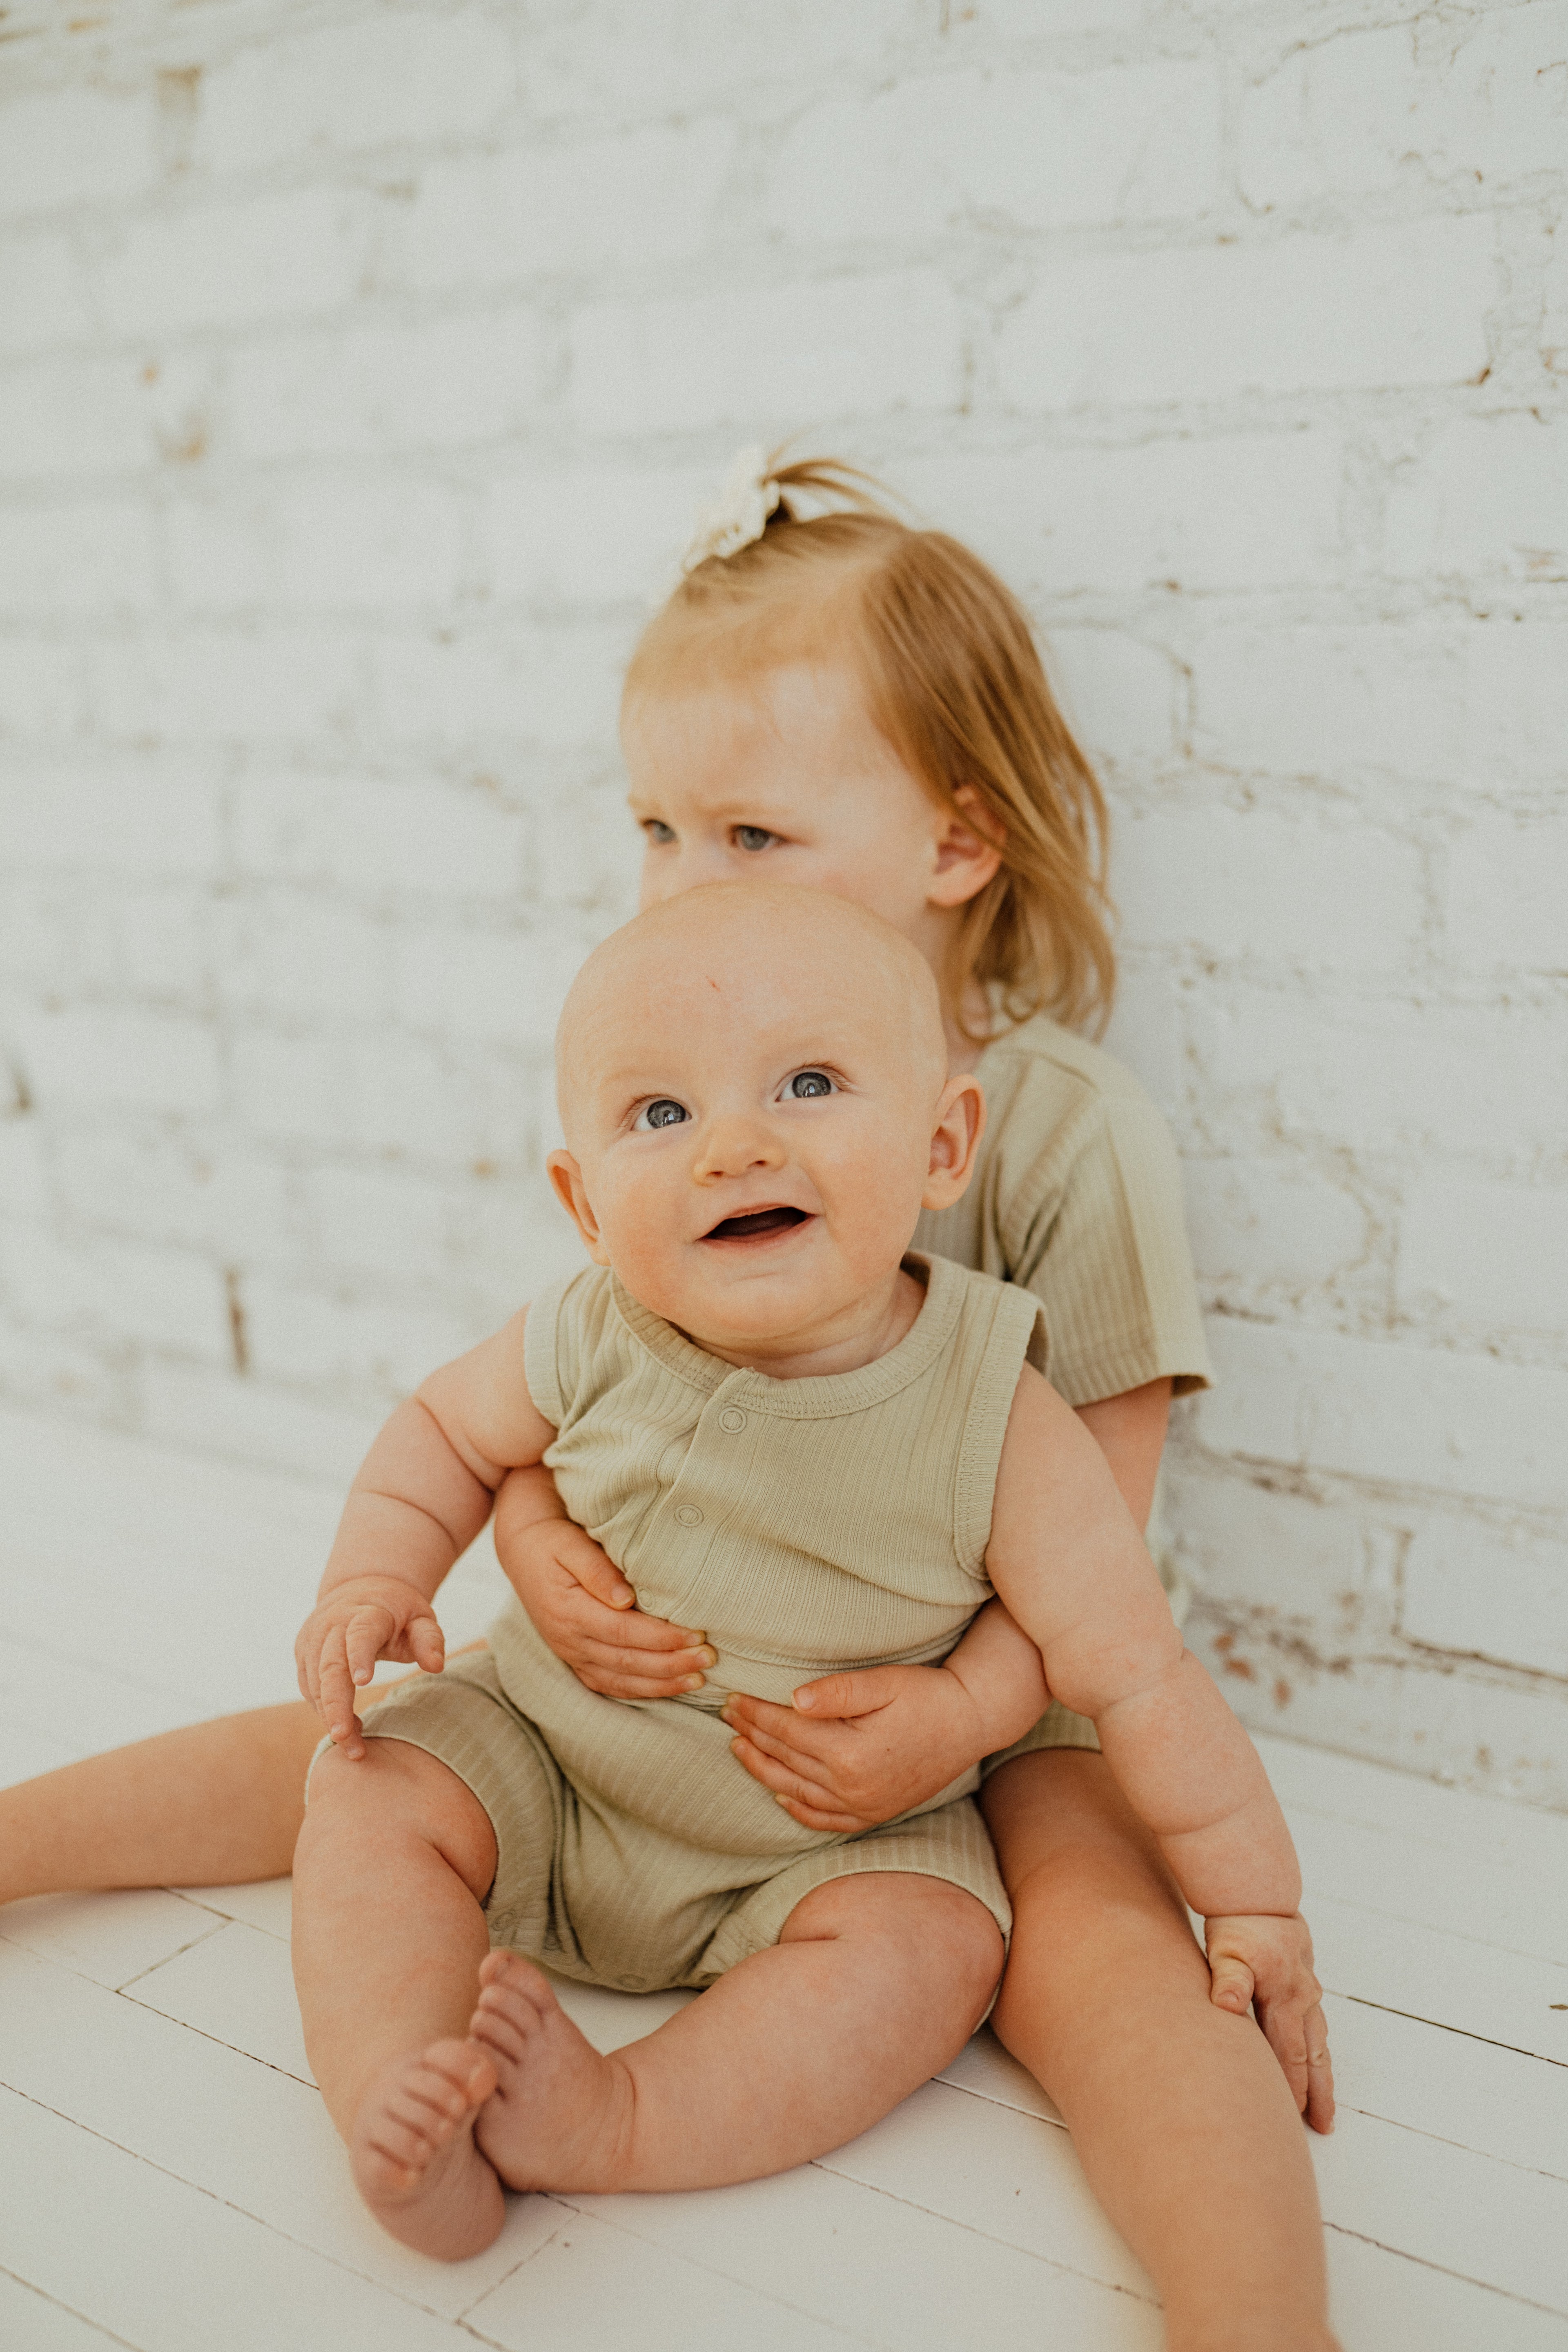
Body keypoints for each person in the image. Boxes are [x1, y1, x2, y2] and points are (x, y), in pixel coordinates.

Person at [0, 457, 1336, 2348]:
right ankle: (193, 1950)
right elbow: (553, 1384)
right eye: (656, 830)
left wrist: (958, 1717)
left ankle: (1255, 2315)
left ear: (956, 845)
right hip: (674, 1651)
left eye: (751, 836)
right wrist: (535, 1539)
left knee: (1104, 1957)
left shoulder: (1058, 1130)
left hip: (987, 1687)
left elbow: (1097, 1560)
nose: (685, 885)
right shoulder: (684, 1089)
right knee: (354, 1750)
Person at [290, 880, 1323, 2281]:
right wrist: (372, 1576)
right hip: (557, 1765)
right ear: (584, 1204)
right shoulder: (588, 1328)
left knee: (936, 1947)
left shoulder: (997, 1412)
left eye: (810, 1084)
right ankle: (415, 2104)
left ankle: (616, 2121)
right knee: (365, 1791)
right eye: (663, 1113)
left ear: (943, 1145)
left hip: (829, 1845)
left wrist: (1256, 1901)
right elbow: (443, 1435)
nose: (734, 1146)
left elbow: (1139, 1675)